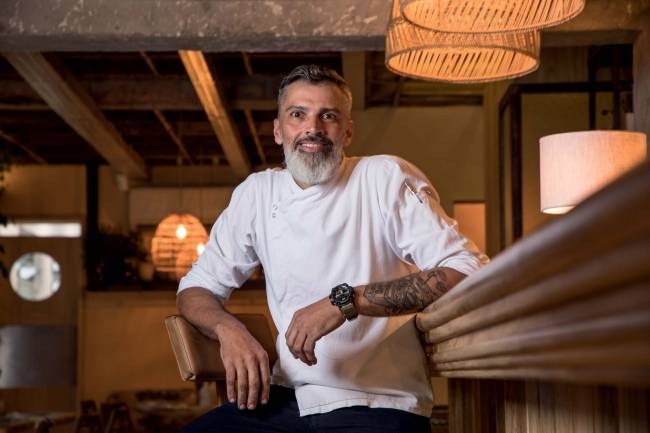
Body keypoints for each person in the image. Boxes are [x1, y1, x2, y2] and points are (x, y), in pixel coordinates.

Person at [176, 64, 488, 433]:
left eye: (328, 115)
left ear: (348, 131)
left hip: (378, 402)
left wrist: (346, 300)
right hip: (284, 399)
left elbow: (468, 269)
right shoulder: (256, 194)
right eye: (298, 114)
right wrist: (230, 330)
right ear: (278, 131)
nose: (313, 128)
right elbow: (195, 289)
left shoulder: (383, 177)